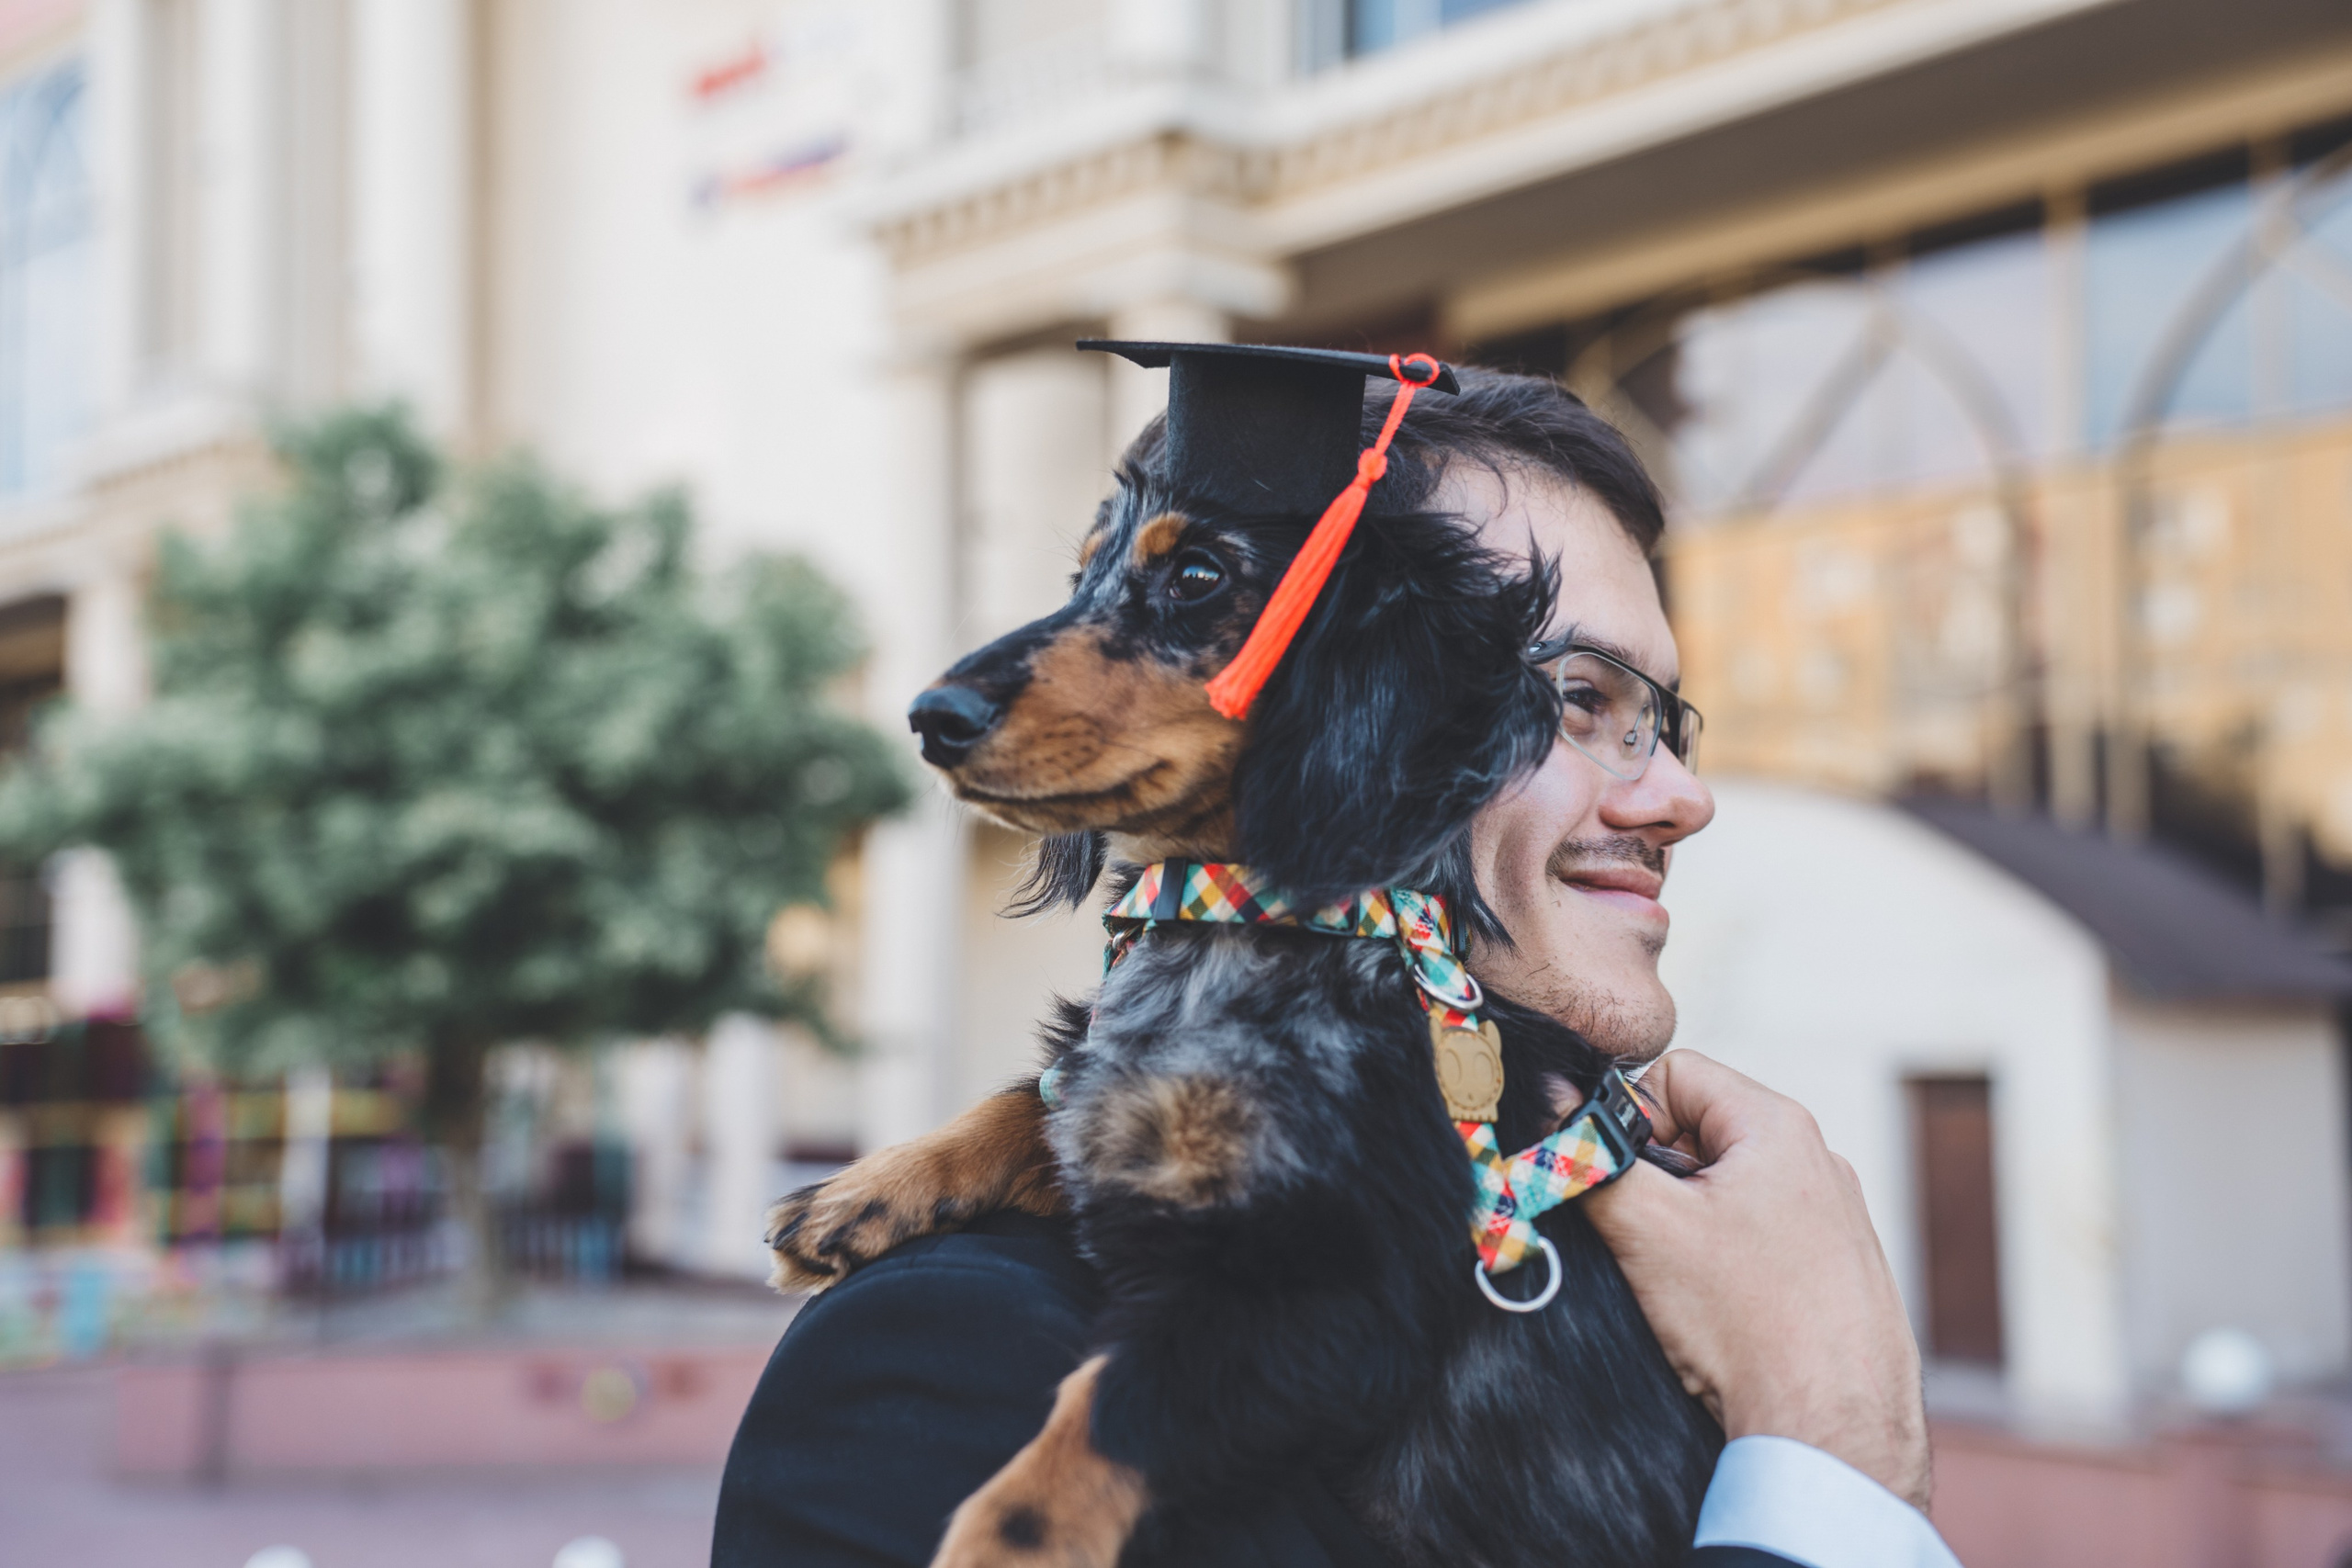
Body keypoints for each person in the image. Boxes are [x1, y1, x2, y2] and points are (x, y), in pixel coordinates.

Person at [712, 368, 1958, 1568]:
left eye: (1659, 720)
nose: (1685, 798)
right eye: (1577, 696)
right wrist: (1829, 1459)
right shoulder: (950, 1366)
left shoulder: (1653, 1262)